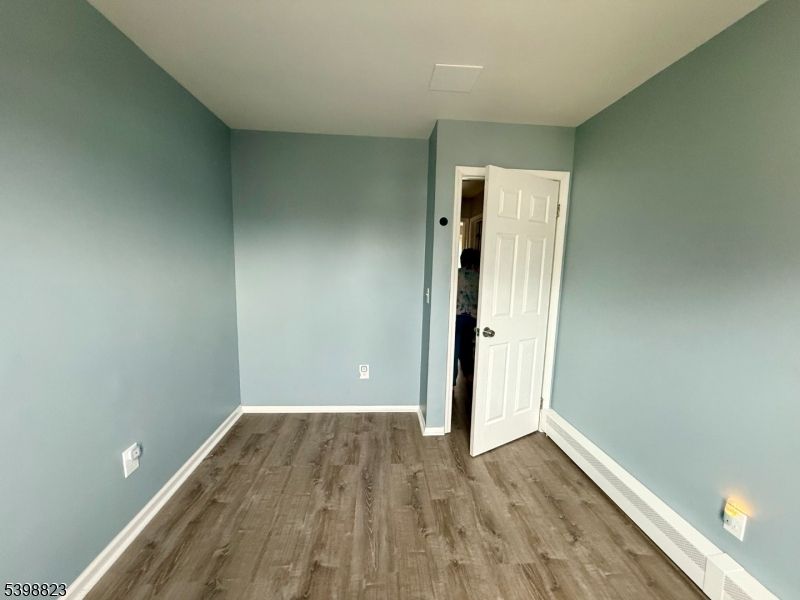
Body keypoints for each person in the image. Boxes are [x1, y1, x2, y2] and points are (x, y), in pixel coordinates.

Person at [453, 247, 480, 388]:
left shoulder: (456, 274)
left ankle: (452, 378)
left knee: (454, 346)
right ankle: (469, 376)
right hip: (472, 316)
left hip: (456, 315)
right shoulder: (479, 277)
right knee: (467, 347)